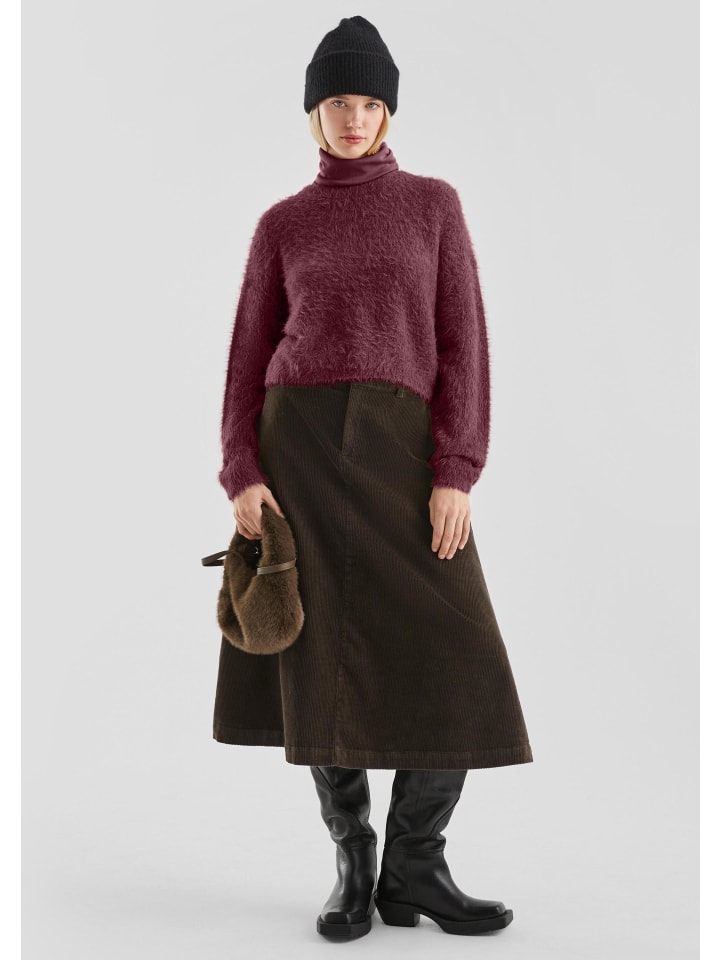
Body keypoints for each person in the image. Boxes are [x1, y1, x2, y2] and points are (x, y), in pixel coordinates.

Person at [213, 14, 534, 941]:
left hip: (404, 453)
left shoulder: (433, 206)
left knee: (459, 650)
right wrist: (241, 469)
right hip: (301, 454)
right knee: (321, 658)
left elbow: (464, 345)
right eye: (336, 103)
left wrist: (456, 468)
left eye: (367, 102)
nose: (352, 118)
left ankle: (415, 865)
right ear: (312, 113)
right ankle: (355, 863)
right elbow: (245, 361)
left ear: (389, 110)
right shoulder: (281, 224)